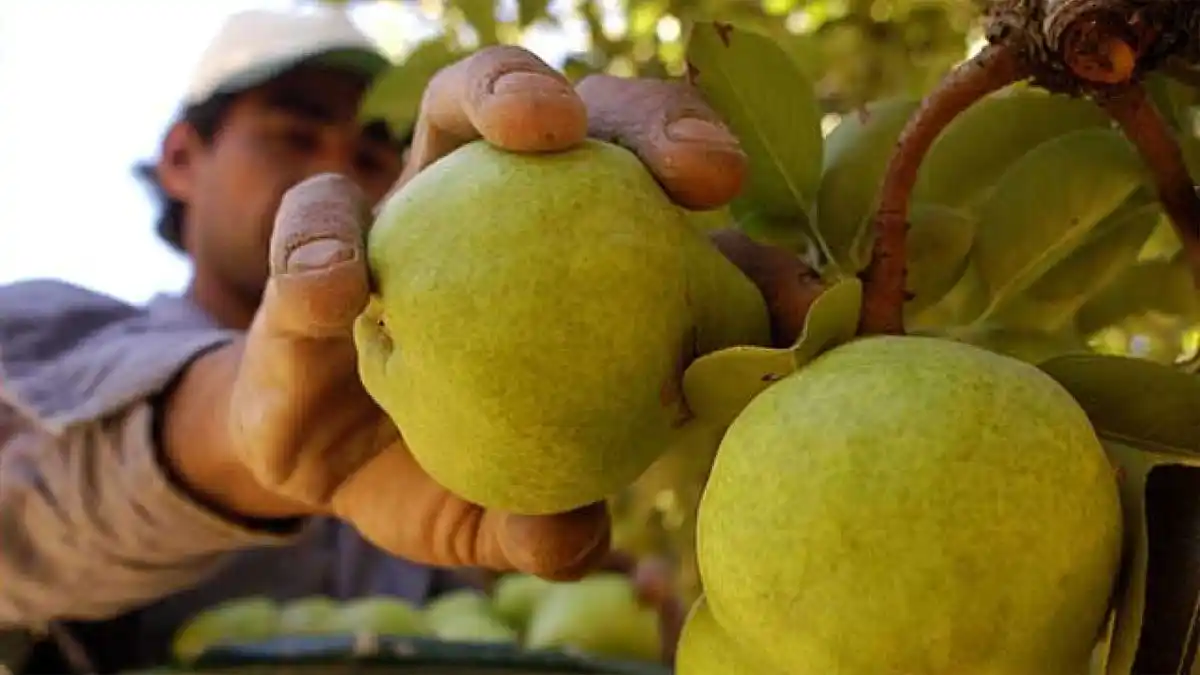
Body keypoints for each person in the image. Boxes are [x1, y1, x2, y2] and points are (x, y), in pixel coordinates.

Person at [0, 6, 814, 674]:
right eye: (292, 132)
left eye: (368, 151)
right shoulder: (49, 334)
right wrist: (236, 436)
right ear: (182, 156)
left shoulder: (451, 477)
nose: (338, 171)